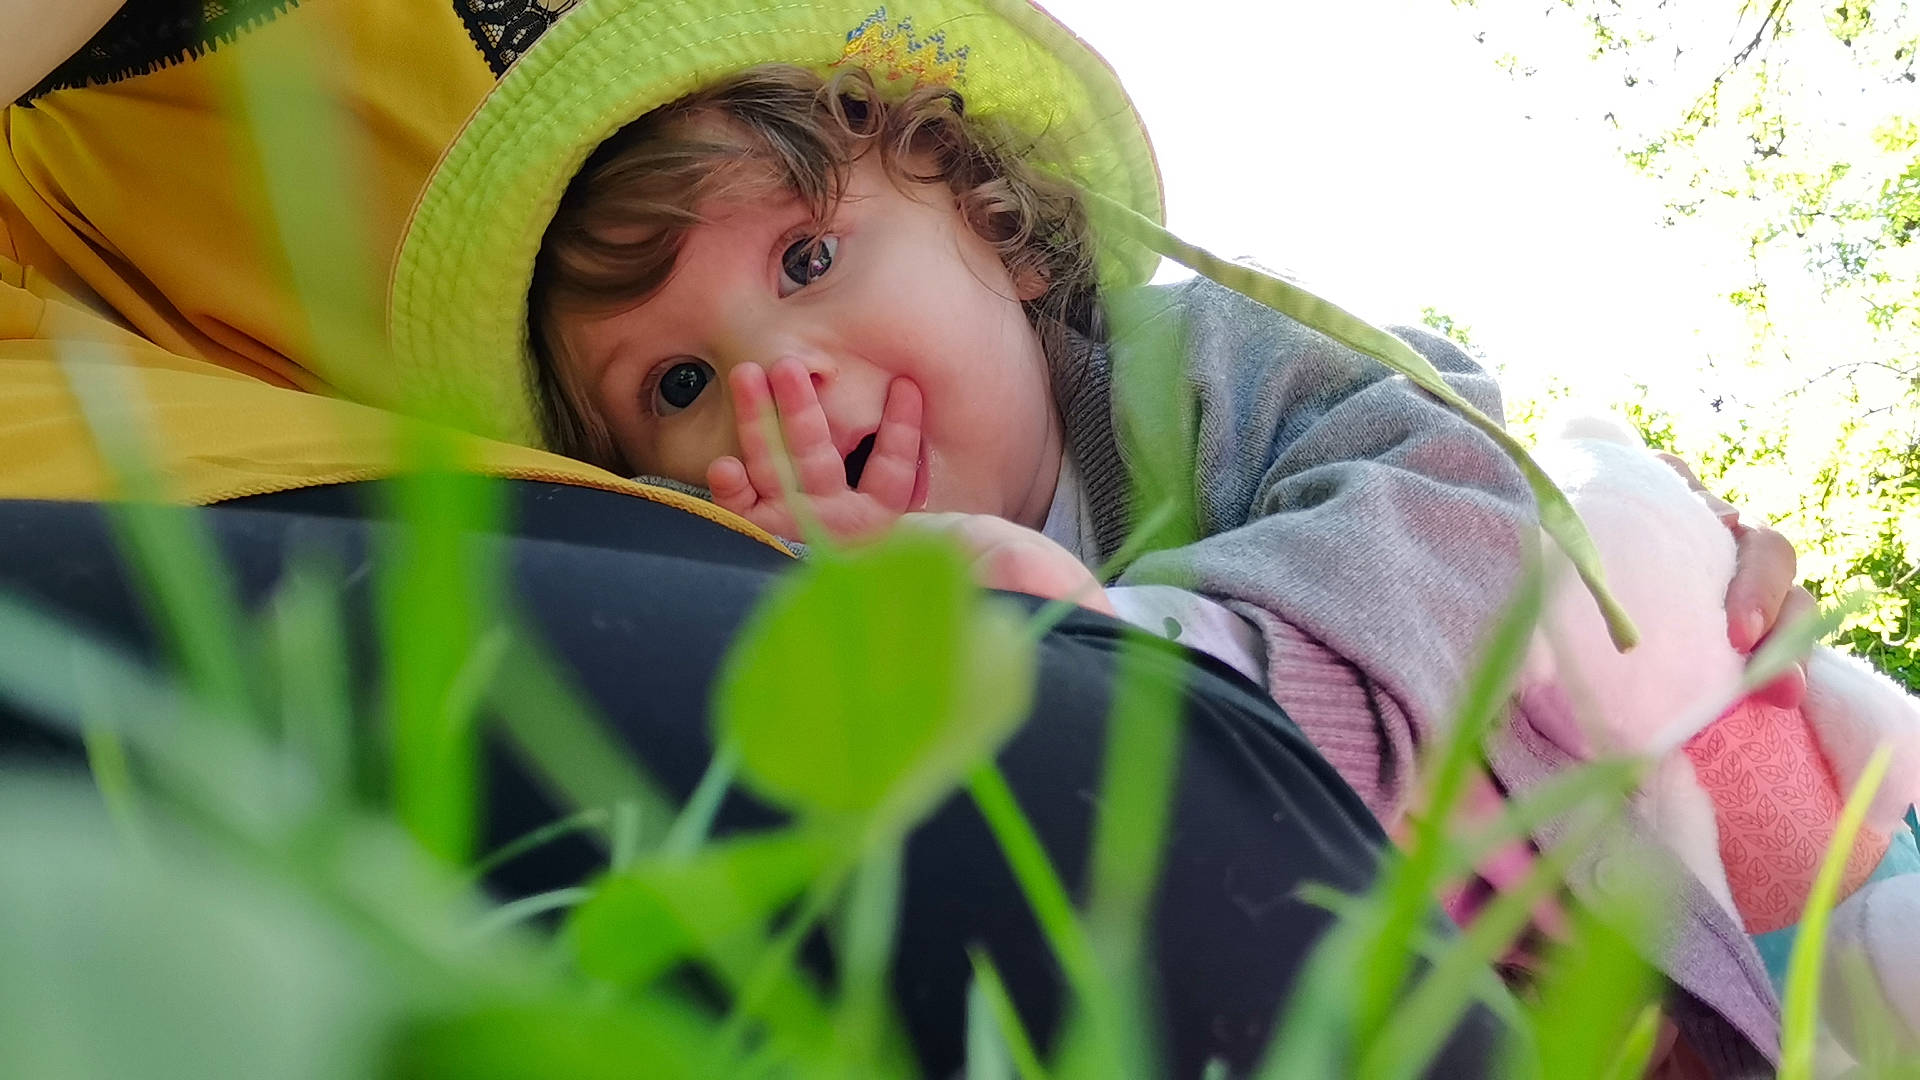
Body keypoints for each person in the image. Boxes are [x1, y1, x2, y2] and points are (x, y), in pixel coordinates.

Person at [0, 0, 1803, 1073]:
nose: (774, 375)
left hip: (1574, 950)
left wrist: (1161, 650)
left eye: (805, 259)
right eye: (679, 384)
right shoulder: (752, 590)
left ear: (1009, 235)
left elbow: (1452, 503)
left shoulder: (1181, 376)